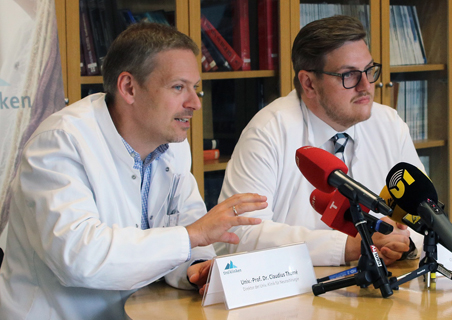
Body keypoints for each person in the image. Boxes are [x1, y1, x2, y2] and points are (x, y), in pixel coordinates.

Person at [0, 23, 266, 319]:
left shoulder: (172, 142)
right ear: (129, 88)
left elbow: (185, 233)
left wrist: (196, 269)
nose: (194, 103)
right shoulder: (60, 142)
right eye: (179, 87)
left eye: (196, 88)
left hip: (141, 311)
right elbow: (79, 258)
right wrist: (191, 236)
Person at [216, 15, 423, 266]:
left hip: (381, 281)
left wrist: (405, 243)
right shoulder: (268, 131)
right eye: (349, 75)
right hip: (293, 290)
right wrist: (349, 247)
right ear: (309, 83)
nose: (366, 85)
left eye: (370, 70)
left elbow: (422, 214)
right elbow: (239, 234)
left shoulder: (388, 124)